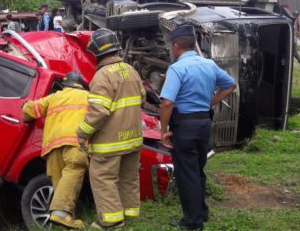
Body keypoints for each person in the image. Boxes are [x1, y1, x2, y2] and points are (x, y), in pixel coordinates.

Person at [158, 25, 237, 231]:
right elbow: (230, 85)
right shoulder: (208, 64)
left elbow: (167, 103)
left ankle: (193, 222)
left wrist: (163, 130)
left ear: (176, 46)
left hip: (184, 126)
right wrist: (210, 102)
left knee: (187, 174)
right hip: (204, 124)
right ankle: (201, 212)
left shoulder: (177, 68)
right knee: (198, 170)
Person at [76, 28, 145, 229]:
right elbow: (141, 98)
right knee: (128, 178)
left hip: (110, 142)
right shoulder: (131, 71)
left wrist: (82, 133)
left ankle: (111, 220)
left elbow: (99, 113)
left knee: (103, 178)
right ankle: (130, 213)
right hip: (133, 138)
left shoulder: (102, 76)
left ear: (96, 51)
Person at [22, 72, 90, 229]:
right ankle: (61, 214)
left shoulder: (54, 97)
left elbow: (29, 110)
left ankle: (64, 220)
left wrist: (24, 112)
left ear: (65, 85)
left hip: (52, 147)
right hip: (74, 142)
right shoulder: (88, 97)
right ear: (81, 85)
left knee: (60, 184)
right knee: (75, 170)